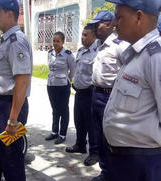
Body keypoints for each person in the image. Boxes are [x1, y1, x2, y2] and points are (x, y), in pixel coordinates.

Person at [102, 0, 161, 181]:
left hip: (142, 162)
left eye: (119, 17)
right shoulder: (135, 53)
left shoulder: (156, 57)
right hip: (123, 159)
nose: (114, 24)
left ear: (138, 17)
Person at [0, 0, 33, 180]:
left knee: (11, 160)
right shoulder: (6, 40)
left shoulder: (16, 41)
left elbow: (22, 81)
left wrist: (13, 120)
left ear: (9, 14)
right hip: (2, 106)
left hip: (10, 107)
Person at [87, 10, 129, 181]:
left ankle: (114, 173)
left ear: (110, 23)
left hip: (110, 96)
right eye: (95, 24)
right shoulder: (99, 45)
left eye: (100, 24)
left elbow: (128, 71)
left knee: (110, 138)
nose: (96, 27)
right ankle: (105, 172)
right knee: (98, 136)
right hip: (96, 94)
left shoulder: (120, 45)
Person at [65, 25, 99, 166]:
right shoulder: (80, 51)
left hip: (90, 92)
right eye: (82, 34)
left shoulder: (97, 52)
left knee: (91, 124)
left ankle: (94, 152)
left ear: (93, 36)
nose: (82, 37)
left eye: (86, 35)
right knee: (79, 121)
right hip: (78, 92)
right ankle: (80, 145)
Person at [44, 31, 75, 145]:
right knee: (55, 109)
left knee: (63, 110)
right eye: (54, 41)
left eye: (58, 41)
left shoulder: (68, 54)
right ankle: (54, 132)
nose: (55, 43)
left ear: (63, 42)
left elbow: (73, 70)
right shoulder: (50, 53)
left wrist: (68, 79)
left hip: (63, 86)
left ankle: (62, 134)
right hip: (51, 85)